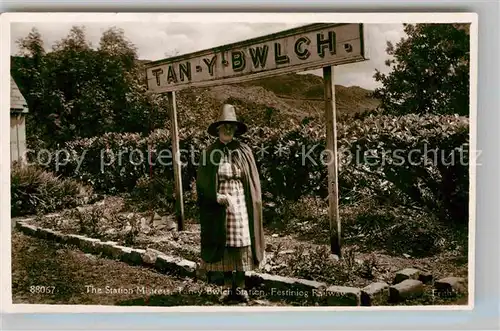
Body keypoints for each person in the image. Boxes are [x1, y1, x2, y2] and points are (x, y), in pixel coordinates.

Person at [196, 104, 265, 303]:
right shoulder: (209, 153)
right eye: (224, 126)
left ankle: (241, 286)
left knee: (241, 241)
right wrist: (214, 195)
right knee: (224, 242)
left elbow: (252, 181)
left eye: (231, 126)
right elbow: (202, 181)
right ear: (218, 129)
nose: (227, 130)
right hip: (220, 203)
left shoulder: (244, 151)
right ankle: (227, 287)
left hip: (241, 201)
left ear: (235, 130)